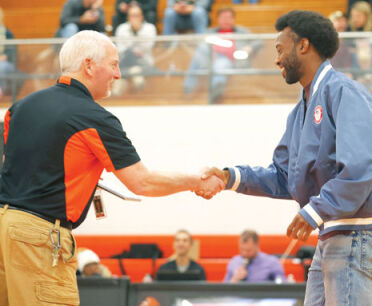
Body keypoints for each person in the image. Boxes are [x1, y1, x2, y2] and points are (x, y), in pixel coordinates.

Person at [0, 30, 223, 305]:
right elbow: (143, 182)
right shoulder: (93, 117)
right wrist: (195, 180)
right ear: (89, 66)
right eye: (114, 64)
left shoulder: (19, 108)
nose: (118, 74)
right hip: (39, 237)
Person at [201, 10, 372, 305]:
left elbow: (362, 166)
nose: (276, 59)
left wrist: (315, 209)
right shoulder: (300, 111)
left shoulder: (344, 91)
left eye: (280, 49)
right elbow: (286, 177)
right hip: (333, 230)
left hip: (359, 230)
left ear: (303, 46)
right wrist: (232, 177)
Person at [183, 7, 263, 103]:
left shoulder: (241, 31)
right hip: (211, 60)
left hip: (232, 60)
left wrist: (249, 48)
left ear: (233, 19)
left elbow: (259, 40)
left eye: (229, 18)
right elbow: (198, 43)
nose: (226, 20)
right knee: (201, 49)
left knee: (222, 63)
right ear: (218, 19)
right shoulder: (210, 32)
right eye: (223, 18)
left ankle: (215, 93)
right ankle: (188, 87)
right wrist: (211, 52)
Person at [113, 3, 157, 95]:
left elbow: (147, 46)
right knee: (131, 72)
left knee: (135, 72)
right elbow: (120, 49)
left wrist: (137, 29)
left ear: (142, 16)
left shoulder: (150, 28)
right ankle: (118, 96)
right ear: (128, 17)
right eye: (132, 16)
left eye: (137, 15)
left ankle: (139, 94)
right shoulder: (121, 28)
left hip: (144, 62)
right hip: (125, 62)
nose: (135, 18)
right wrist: (133, 52)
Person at [0, 7, 16, 98]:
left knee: (2, 66)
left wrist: (4, 56)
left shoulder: (7, 33)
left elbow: (12, 53)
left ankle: (1, 92)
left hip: (5, 64)